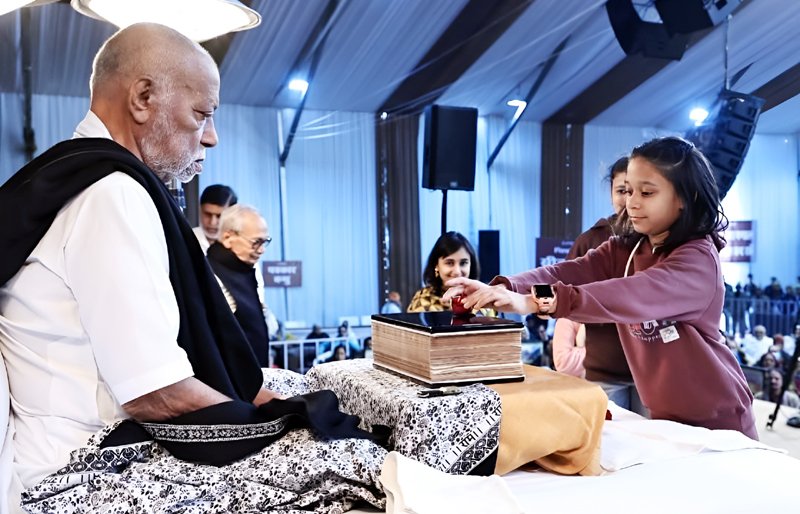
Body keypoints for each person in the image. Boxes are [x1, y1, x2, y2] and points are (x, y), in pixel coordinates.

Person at [0, 23, 375, 510]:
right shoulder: (112, 195)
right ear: (143, 99)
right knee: (349, 466)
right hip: (86, 468)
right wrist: (267, 422)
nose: (212, 137)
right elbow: (155, 394)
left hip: (73, 451)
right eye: (202, 114)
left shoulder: (74, 176)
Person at [444, 136, 758, 439]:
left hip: (719, 423)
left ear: (685, 198)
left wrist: (532, 301)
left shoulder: (697, 260)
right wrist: (505, 287)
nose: (632, 203)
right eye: (628, 190)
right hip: (666, 419)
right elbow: (571, 270)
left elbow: (630, 294)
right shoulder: (629, 248)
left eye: (647, 193)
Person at [552, 156, 646, 415]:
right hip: (605, 368)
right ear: (610, 193)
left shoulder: (657, 240)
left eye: (636, 191)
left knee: (654, 437)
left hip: (651, 369)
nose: (628, 199)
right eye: (621, 191)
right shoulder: (590, 240)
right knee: (610, 436)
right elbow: (564, 289)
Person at [206, 204, 273, 367]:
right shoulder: (211, 274)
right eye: (256, 242)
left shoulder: (246, 269)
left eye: (265, 242)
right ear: (228, 238)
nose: (262, 250)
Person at [407, 231, 493, 316]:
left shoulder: (480, 297)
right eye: (449, 263)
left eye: (463, 263)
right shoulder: (423, 302)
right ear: (436, 265)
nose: (457, 272)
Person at [192, 184, 238, 253]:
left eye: (219, 216)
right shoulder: (186, 240)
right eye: (208, 214)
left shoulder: (242, 246)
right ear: (200, 210)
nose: (212, 222)